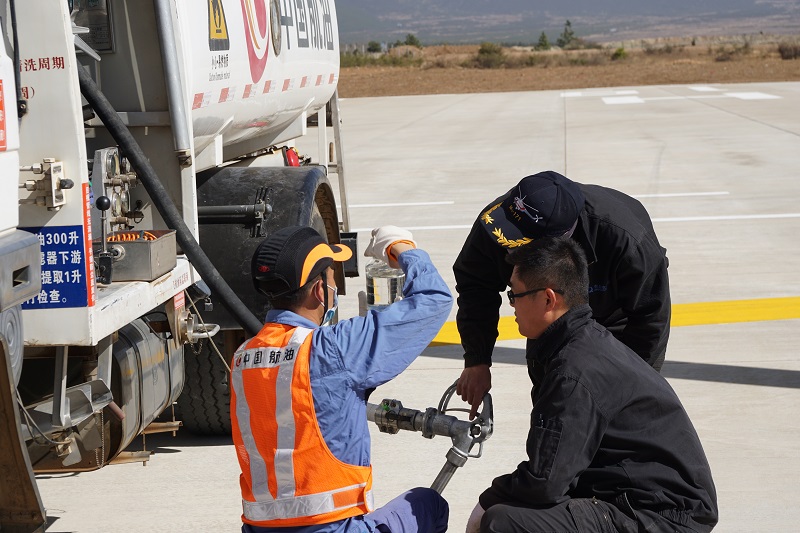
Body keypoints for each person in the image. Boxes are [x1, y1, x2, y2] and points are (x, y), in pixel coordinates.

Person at [465, 237, 717, 533]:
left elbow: (546, 483)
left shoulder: (574, 371)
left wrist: (487, 501)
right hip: (644, 499)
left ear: (548, 299)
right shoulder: (585, 342)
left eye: (515, 295)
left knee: (503, 522)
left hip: (662, 516)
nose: (512, 306)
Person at [230, 225, 452, 533]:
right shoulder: (333, 348)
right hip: (336, 528)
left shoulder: (243, 358)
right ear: (320, 291)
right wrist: (401, 247)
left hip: (258, 530)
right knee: (428, 505)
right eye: (334, 276)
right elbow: (433, 300)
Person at [455, 170, 671, 416]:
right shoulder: (500, 222)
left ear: (558, 242)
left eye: (519, 243)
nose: (508, 246)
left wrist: (634, 388)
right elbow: (475, 287)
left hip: (615, 321)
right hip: (550, 323)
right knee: (554, 410)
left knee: (618, 410)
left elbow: (651, 318)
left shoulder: (627, 240)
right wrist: (477, 359)